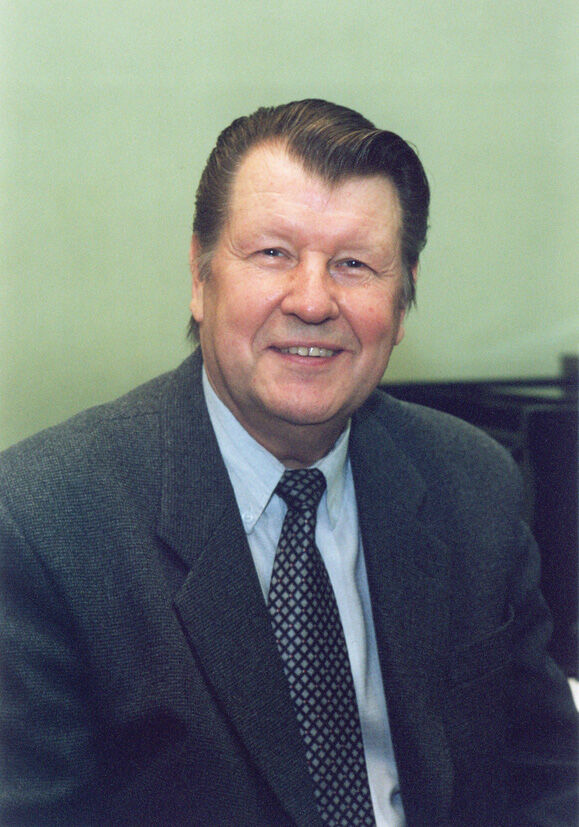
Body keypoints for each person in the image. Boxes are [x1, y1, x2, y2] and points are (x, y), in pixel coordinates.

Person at [0, 99, 576, 826]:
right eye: (273, 253)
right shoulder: (45, 523)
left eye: (354, 264)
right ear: (200, 275)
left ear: (402, 302)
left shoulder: (473, 483)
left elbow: (547, 777)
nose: (312, 301)